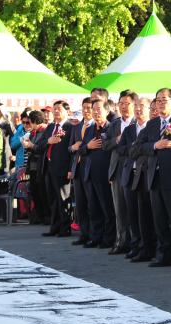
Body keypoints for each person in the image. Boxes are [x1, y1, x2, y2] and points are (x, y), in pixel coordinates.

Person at [133, 88, 171, 268]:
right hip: (154, 176)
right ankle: (163, 254)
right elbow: (138, 147)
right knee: (159, 219)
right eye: (158, 100)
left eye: (165, 99)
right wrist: (156, 145)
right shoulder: (152, 124)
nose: (161, 103)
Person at [122, 96, 156, 262]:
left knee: (145, 214)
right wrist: (136, 148)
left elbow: (149, 149)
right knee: (132, 213)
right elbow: (122, 149)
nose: (138, 109)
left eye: (142, 106)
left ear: (150, 108)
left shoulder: (152, 127)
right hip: (130, 173)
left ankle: (147, 246)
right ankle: (136, 244)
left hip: (145, 174)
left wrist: (138, 148)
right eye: (136, 106)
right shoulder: (129, 129)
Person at [79, 99, 116, 249]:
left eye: (98, 109)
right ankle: (96, 237)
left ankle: (108, 239)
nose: (95, 112)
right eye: (93, 109)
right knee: (93, 208)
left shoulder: (111, 128)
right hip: (90, 174)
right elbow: (80, 150)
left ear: (107, 111)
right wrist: (88, 146)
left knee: (107, 208)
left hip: (105, 174)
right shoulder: (89, 129)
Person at [34, 101, 74, 237]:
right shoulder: (51, 127)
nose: (56, 111)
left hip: (63, 168)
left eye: (59, 109)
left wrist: (70, 169)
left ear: (67, 112)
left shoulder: (71, 127)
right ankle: (55, 227)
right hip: (48, 168)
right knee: (52, 199)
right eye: (54, 109)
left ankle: (65, 228)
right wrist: (48, 141)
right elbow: (38, 146)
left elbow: (72, 151)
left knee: (63, 199)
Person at [104, 91, 136, 254]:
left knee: (133, 207)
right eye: (121, 103)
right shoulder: (115, 124)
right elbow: (105, 144)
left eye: (127, 103)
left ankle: (134, 242)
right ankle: (121, 241)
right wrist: (115, 140)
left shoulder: (139, 123)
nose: (123, 107)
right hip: (117, 169)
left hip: (133, 169)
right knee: (119, 209)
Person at [69, 101, 92, 245]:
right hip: (77, 168)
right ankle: (84, 233)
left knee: (92, 203)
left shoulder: (95, 126)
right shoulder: (77, 127)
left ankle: (94, 234)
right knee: (81, 204)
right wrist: (73, 147)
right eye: (84, 108)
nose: (86, 110)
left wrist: (83, 146)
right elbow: (69, 148)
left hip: (91, 168)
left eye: (89, 108)